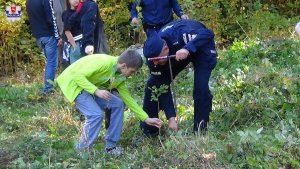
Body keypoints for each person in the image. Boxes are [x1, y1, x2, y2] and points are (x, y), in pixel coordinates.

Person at [56, 49, 162, 154]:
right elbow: (76, 75)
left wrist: (145, 118)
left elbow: (128, 99)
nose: (132, 74)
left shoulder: (119, 76)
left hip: (88, 86)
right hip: (73, 84)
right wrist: (96, 91)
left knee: (117, 104)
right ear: (124, 66)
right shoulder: (104, 63)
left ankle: (110, 147)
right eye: (132, 71)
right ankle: (82, 150)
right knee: (96, 115)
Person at [141, 20, 217, 136]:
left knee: (200, 87)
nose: (155, 63)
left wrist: (188, 48)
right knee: (153, 85)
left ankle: (200, 129)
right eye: (153, 60)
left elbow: (208, 33)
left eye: (158, 59)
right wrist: (171, 118)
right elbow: (162, 86)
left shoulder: (183, 34)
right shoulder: (153, 59)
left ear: (165, 48)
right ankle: (150, 131)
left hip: (200, 47)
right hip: (175, 55)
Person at [26, 0, 60, 94]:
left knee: (49, 62)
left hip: (38, 36)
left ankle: (48, 86)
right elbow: (51, 19)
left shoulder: (29, 1)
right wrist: (57, 37)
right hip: (48, 36)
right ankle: (48, 89)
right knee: (52, 63)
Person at [62, 0, 83, 64]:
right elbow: (67, 31)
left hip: (83, 41)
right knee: (76, 67)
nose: (76, 0)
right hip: (75, 43)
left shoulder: (81, 11)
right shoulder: (67, 14)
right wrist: (75, 47)